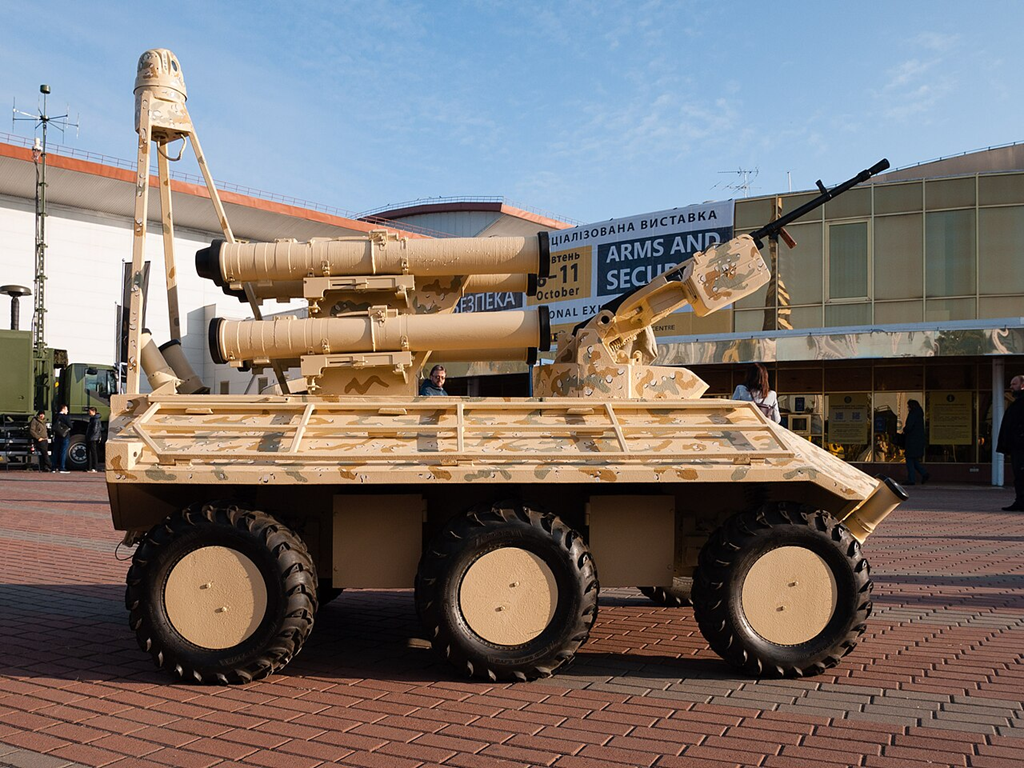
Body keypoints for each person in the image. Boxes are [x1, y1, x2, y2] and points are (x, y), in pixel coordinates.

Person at [996, 375, 1024, 511]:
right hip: (1017, 447)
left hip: (1021, 447)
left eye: (1014, 384)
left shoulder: (1021, 404)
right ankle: (1020, 501)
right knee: (1019, 476)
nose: (1011, 387)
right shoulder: (1017, 403)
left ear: (1022, 385)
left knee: (1021, 475)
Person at [901, 399, 930, 485]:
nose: (908, 408)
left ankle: (912, 479)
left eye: (908, 406)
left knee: (909, 459)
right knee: (914, 460)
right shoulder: (919, 414)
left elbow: (909, 426)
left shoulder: (913, 414)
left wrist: (904, 430)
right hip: (918, 441)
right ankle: (924, 473)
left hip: (912, 441)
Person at [53, 404, 72, 474]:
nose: (67, 411)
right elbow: (71, 425)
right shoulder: (65, 417)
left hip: (57, 435)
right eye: (66, 409)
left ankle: (53, 467)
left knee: (55, 452)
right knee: (63, 452)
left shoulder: (55, 416)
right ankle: (62, 467)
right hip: (64, 436)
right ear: (63, 409)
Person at [86, 406, 103, 473]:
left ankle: (94, 467)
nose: (89, 412)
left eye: (90, 411)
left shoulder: (95, 419)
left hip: (92, 438)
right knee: (91, 452)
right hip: (93, 437)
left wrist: (90, 436)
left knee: (93, 452)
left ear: (93, 412)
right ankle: (90, 467)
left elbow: (94, 430)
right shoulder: (94, 419)